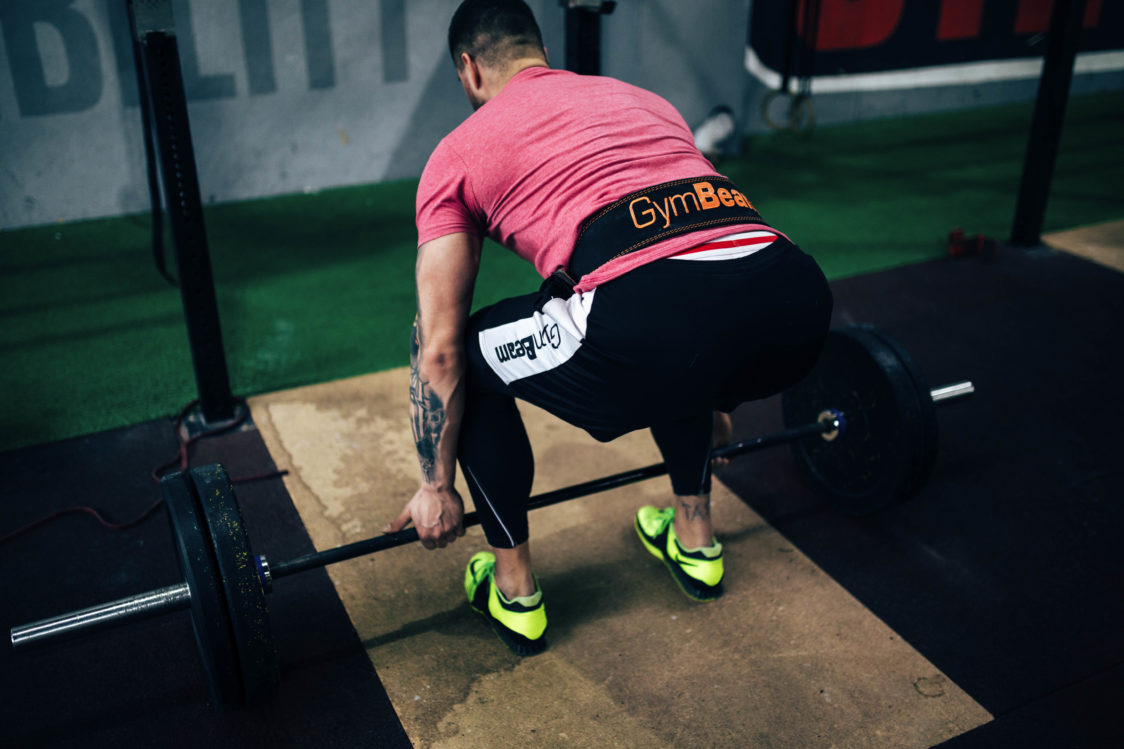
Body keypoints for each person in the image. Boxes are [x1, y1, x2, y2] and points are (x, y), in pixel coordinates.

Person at [383, 0, 832, 656]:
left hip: (655, 320)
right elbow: (696, 257)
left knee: (477, 358)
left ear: (469, 69)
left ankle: (514, 591)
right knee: (670, 318)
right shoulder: (640, 99)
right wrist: (720, 392)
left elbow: (442, 350)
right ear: (537, 50)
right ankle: (694, 536)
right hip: (795, 299)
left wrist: (436, 485)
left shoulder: (456, 154)